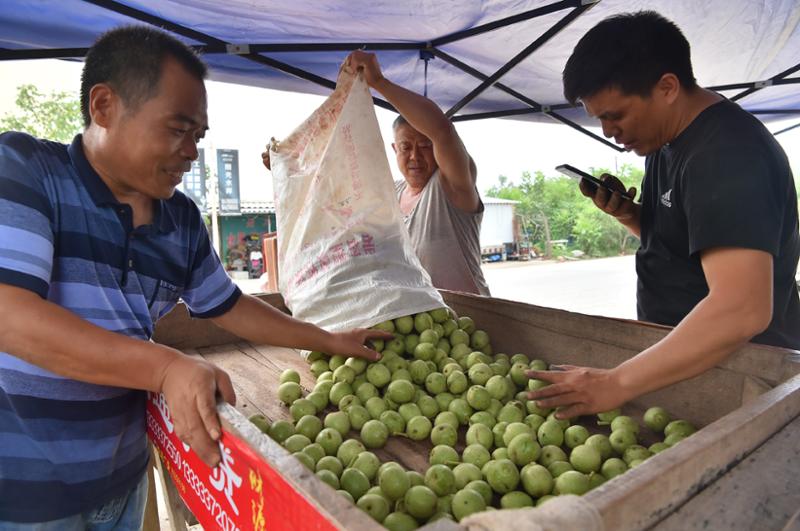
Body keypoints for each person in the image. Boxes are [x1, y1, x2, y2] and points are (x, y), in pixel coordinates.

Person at [0, 26, 389, 527]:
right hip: (25, 493)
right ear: (104, 106)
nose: (191, 152)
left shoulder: (180, 219)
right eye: (178, 129)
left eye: (198, 137)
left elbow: (229, 306)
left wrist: (328, 339)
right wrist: (166, 367)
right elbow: (10, 316)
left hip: (123, 477)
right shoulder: (26, 170)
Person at [528, 11, 800, 418]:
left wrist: (615, 382)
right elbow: (684, 243)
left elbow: (743, 309)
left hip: (741, 376)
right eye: (599, 118)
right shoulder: (665, 141)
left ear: (667, 87)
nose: (608, 131)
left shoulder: (727, 152)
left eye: (615, 115)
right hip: (681, 364)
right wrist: (629, 216)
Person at [262, 52, 491, 296]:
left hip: (471, 311)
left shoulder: (452, 185)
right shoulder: (388, 193)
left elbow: (442, 130)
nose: (415, 156)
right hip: (422, 313)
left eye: (425, 146)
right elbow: (329, 197)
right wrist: (289, 170)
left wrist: (380, 83)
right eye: (406, 147)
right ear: (394, 149)